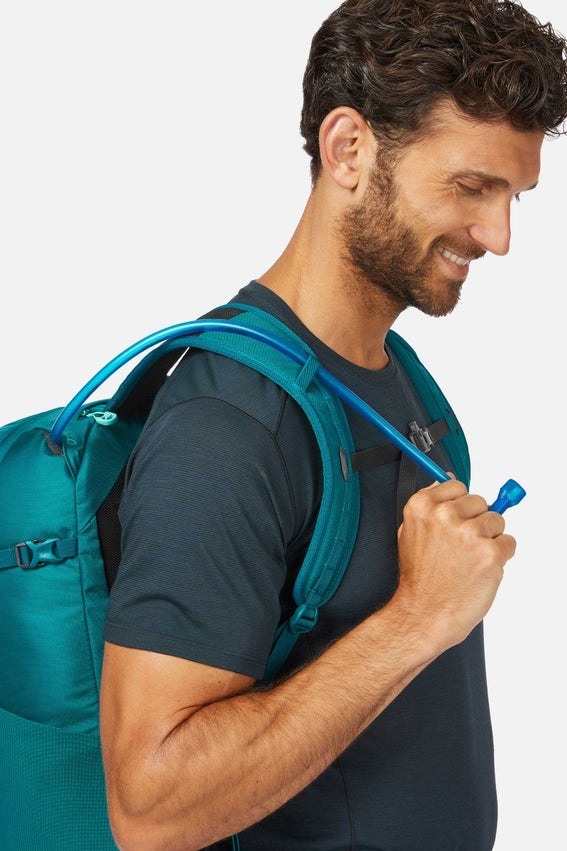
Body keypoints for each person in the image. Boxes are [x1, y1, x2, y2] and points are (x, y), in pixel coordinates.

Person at [99, 1, 567, 849]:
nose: (498, 236)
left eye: (514, 195)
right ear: (348, 147)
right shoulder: (225, 424)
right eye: (472, 186)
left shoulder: (398, 378)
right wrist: (416, 617)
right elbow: (150, 810)